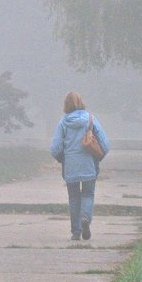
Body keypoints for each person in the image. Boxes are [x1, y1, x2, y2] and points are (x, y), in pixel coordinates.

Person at [50, 91, 110, 241]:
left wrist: (62, 158)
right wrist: (99, 155)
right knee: (88, 194)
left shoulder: (63, 122)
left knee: (74, 197)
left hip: (70, 165)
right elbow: (105, 144)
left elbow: (55, 148)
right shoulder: (91, 119)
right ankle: (85, 218)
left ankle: (76, 232)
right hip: (89, 164)